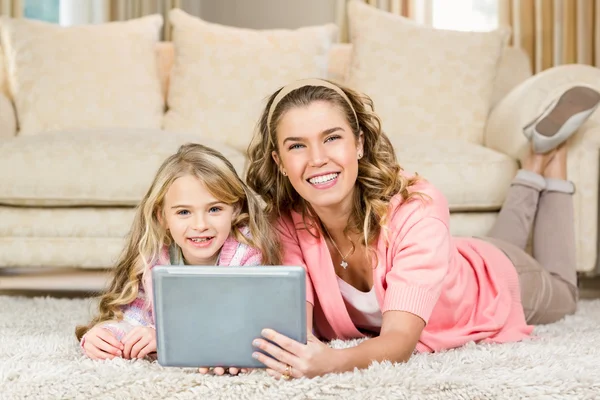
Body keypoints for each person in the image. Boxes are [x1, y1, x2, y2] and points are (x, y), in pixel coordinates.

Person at [244, 79, 600, 379]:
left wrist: (333, 362)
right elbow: (295, 330)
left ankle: (550, 160)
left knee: (565, 293)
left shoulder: (418, 206)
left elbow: (399, 342)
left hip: (492, 283)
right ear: (279, 161)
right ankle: (533, 164)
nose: (317, 158)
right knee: (495, 241)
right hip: (447, 259)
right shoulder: (284, 222)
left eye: (332, 138)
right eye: (296, 146)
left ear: (360, 143)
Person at [76, 143, 280, 376]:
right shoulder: (155, 259)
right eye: (184, 212)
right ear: (162, 217)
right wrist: (106, 335)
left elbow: (251, 327)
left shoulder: (248, 254)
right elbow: (134, 317)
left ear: (235, 210)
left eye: (214, 209)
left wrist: (167, 338)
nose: (200, 225)